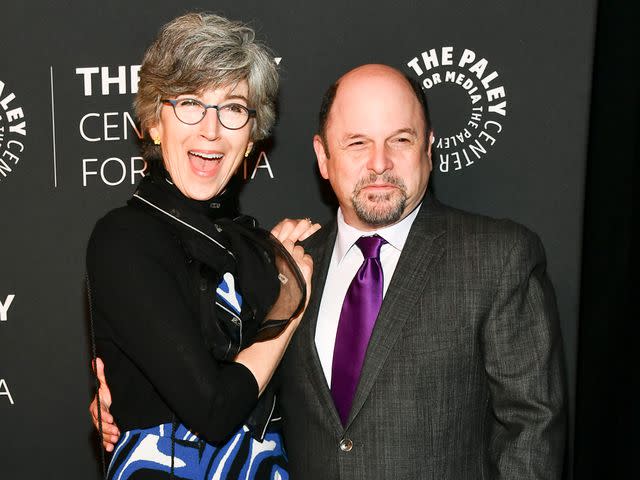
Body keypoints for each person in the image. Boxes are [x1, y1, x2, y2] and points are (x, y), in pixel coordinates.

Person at [93, 63, 567, 479]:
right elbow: (213, 377)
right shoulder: (287, 265)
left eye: (400, 140)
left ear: (429, 148)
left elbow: (533, 429)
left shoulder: (498, 256)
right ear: (323, 157)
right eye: (357, 143)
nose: (379, 164)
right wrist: (128, 397)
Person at [86, 12, 317, 479]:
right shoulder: (124, 239)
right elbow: (212, 409)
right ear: (153, 123)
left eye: (232, 108)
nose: (211, 130)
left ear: (252, 136)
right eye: (190, 103)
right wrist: (289, 309)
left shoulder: (257, 247)